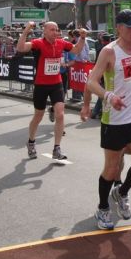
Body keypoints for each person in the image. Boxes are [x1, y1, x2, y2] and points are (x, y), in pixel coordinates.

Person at [80, 9, 131, 230]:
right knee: (111, 168)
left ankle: (122, 192)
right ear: (118, 27)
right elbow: (91, 82)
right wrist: (109, 96)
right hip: (114, 120)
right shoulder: (109, 52)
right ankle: (102, 208)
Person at [16, 21, 87, 161]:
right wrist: (26, 31)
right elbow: (20, 47)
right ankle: (31, 142)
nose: (56, 32)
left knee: (60, 114)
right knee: (38, 116)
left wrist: (83, 37)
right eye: (52, 30)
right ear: (45, 31)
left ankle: (57, 148)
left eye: (57, 29)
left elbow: (76, 50)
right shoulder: (38, 43)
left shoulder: (61, 43)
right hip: (41, 85)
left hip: (56, 84)